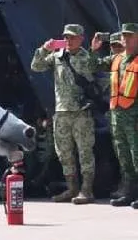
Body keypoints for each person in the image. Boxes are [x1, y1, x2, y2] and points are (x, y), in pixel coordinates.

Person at [30, 24, 98, 204]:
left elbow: (101, 77)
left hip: (81, 112)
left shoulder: (88, 57)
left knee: (85, 151)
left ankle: (87, 190)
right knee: (64, 152)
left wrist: (91, 97)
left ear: (81, 38)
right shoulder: (57, 56)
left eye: (73, 37)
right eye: (66, 37)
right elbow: (36, 66)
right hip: (61, 112)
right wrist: (45, 49)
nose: (69, 40)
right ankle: (72, 188)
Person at [94, 24, 138, 207]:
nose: (125, 39)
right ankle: (129, 192)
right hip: (118, 116)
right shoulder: (117, 59)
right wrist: (94, 49)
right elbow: (90, 66)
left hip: (134, 117)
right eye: (124, 36)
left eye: (130, 36)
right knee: (124, 156)